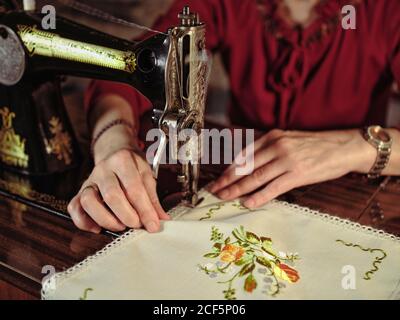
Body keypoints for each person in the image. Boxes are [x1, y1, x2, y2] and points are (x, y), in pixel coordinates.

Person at [67, 0, 400, 234]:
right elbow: (128, 71)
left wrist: (353, 147)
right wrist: (114, 145)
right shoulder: (227, 4)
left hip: (349, 200)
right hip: (245, 185)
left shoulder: (385, 11)